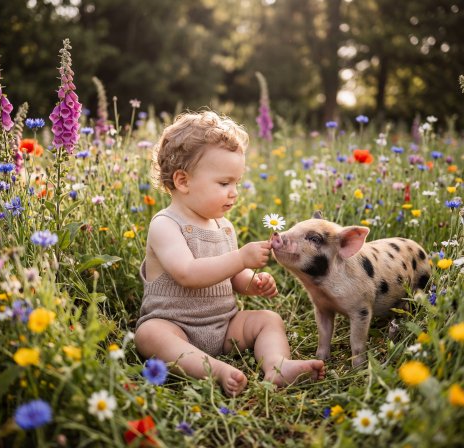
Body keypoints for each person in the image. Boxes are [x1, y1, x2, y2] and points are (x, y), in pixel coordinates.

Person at [134, 111, 325, 396]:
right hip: (175, 326)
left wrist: (251, 281)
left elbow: (232, 276)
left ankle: (277, 365)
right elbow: (187, 274)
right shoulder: (165, 225)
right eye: (224, 184)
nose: (234, 192)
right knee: (149, 335)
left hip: (224, 327)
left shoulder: (223, 226)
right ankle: (214, 369)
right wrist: (240, 259)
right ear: (183, 181)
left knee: (268, 320)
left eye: (237, 182)